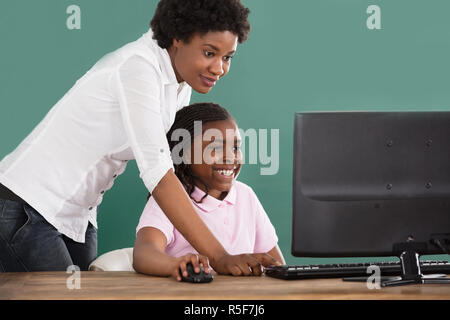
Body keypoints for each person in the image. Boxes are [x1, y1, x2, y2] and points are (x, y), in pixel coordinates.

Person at [0, 0, 275, 273]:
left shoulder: (181, 82)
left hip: (79, 215)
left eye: (227, 57)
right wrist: (220, 257)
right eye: (209, 53)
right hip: (29, 205)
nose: (219, 68)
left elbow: (177, 161)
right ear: (178, 38)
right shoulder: (137, 68)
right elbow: (159, 173)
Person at [133, 103, 285, 280]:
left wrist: (267, 267)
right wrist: (176, 265)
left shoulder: (246, 195)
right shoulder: (168, 200)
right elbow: (143, 254)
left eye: (236, 148)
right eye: (216, 148)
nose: (230, 157)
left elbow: (278, 265)